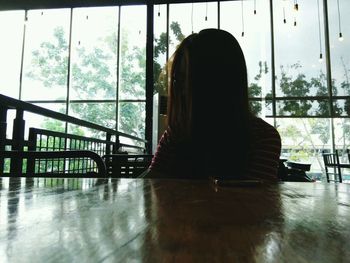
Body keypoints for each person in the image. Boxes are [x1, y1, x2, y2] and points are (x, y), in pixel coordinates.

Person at [144, 28, 281, 181]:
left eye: (186, 79)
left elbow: (250, 200)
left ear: (214, 82)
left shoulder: (263, 137)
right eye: (177, 80)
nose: (180, 90)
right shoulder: (177, 132)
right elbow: (150, 181)